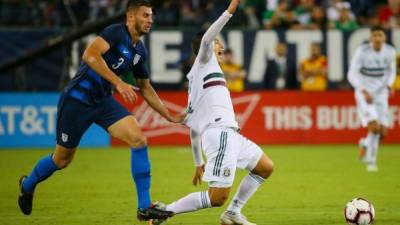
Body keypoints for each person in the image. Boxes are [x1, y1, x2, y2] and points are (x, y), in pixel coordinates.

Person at [17, 0, 183, 221]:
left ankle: (144, 207)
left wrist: (169, 115)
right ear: (131, 17)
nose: (150, 20)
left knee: (138, 139)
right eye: (145, 15)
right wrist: (119, 83)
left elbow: (145, 87)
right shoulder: (115, 32)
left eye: (151, 16)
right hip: (77, 99)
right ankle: (27, 185)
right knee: (62, 160)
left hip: (102, 102)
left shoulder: (139, 51)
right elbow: (90, 55)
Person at [151, 1, 274, 224]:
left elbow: (193, 127)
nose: (221, 47)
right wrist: (230, 11)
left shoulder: (198, 82)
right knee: (217, 197)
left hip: (229, 134)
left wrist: (198, 161)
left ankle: (233, 213)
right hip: (221, 134)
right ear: (204, 49)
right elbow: (207, 39)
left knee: (265, 167)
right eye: (218, 43)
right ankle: (164, 211)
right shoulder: (204, 62)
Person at [347, 25, 396, 172]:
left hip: (381, 93)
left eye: (380, 35)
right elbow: (351, 74)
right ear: (371, 38)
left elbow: (391, 72)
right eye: (375, 35)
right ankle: (372, 162)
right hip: (364, 93)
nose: (377, 38)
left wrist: (388, 85)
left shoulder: (390, 51)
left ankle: (364, 143)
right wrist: (363, 90)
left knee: (383, 132)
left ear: (384, 37)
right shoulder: (362, 52)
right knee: (374, 127)